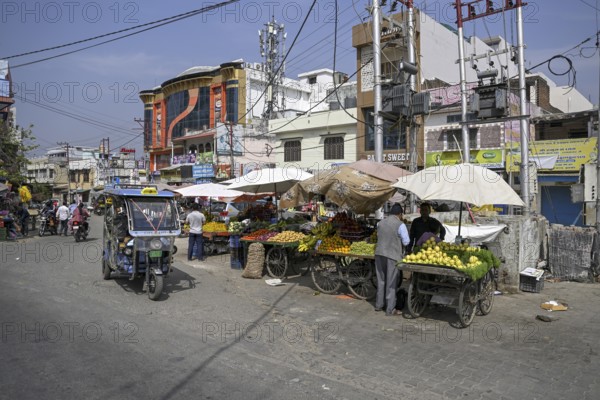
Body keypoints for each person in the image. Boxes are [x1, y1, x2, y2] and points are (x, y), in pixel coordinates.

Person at [374, 203, 410, 316]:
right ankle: (390, 309)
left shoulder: (380, 223)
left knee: (381, 280)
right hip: (392, 256)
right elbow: (406, 242)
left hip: (379, 254)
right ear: (400, 214)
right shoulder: (401, 225)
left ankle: (379, 305)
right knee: (391, 283)